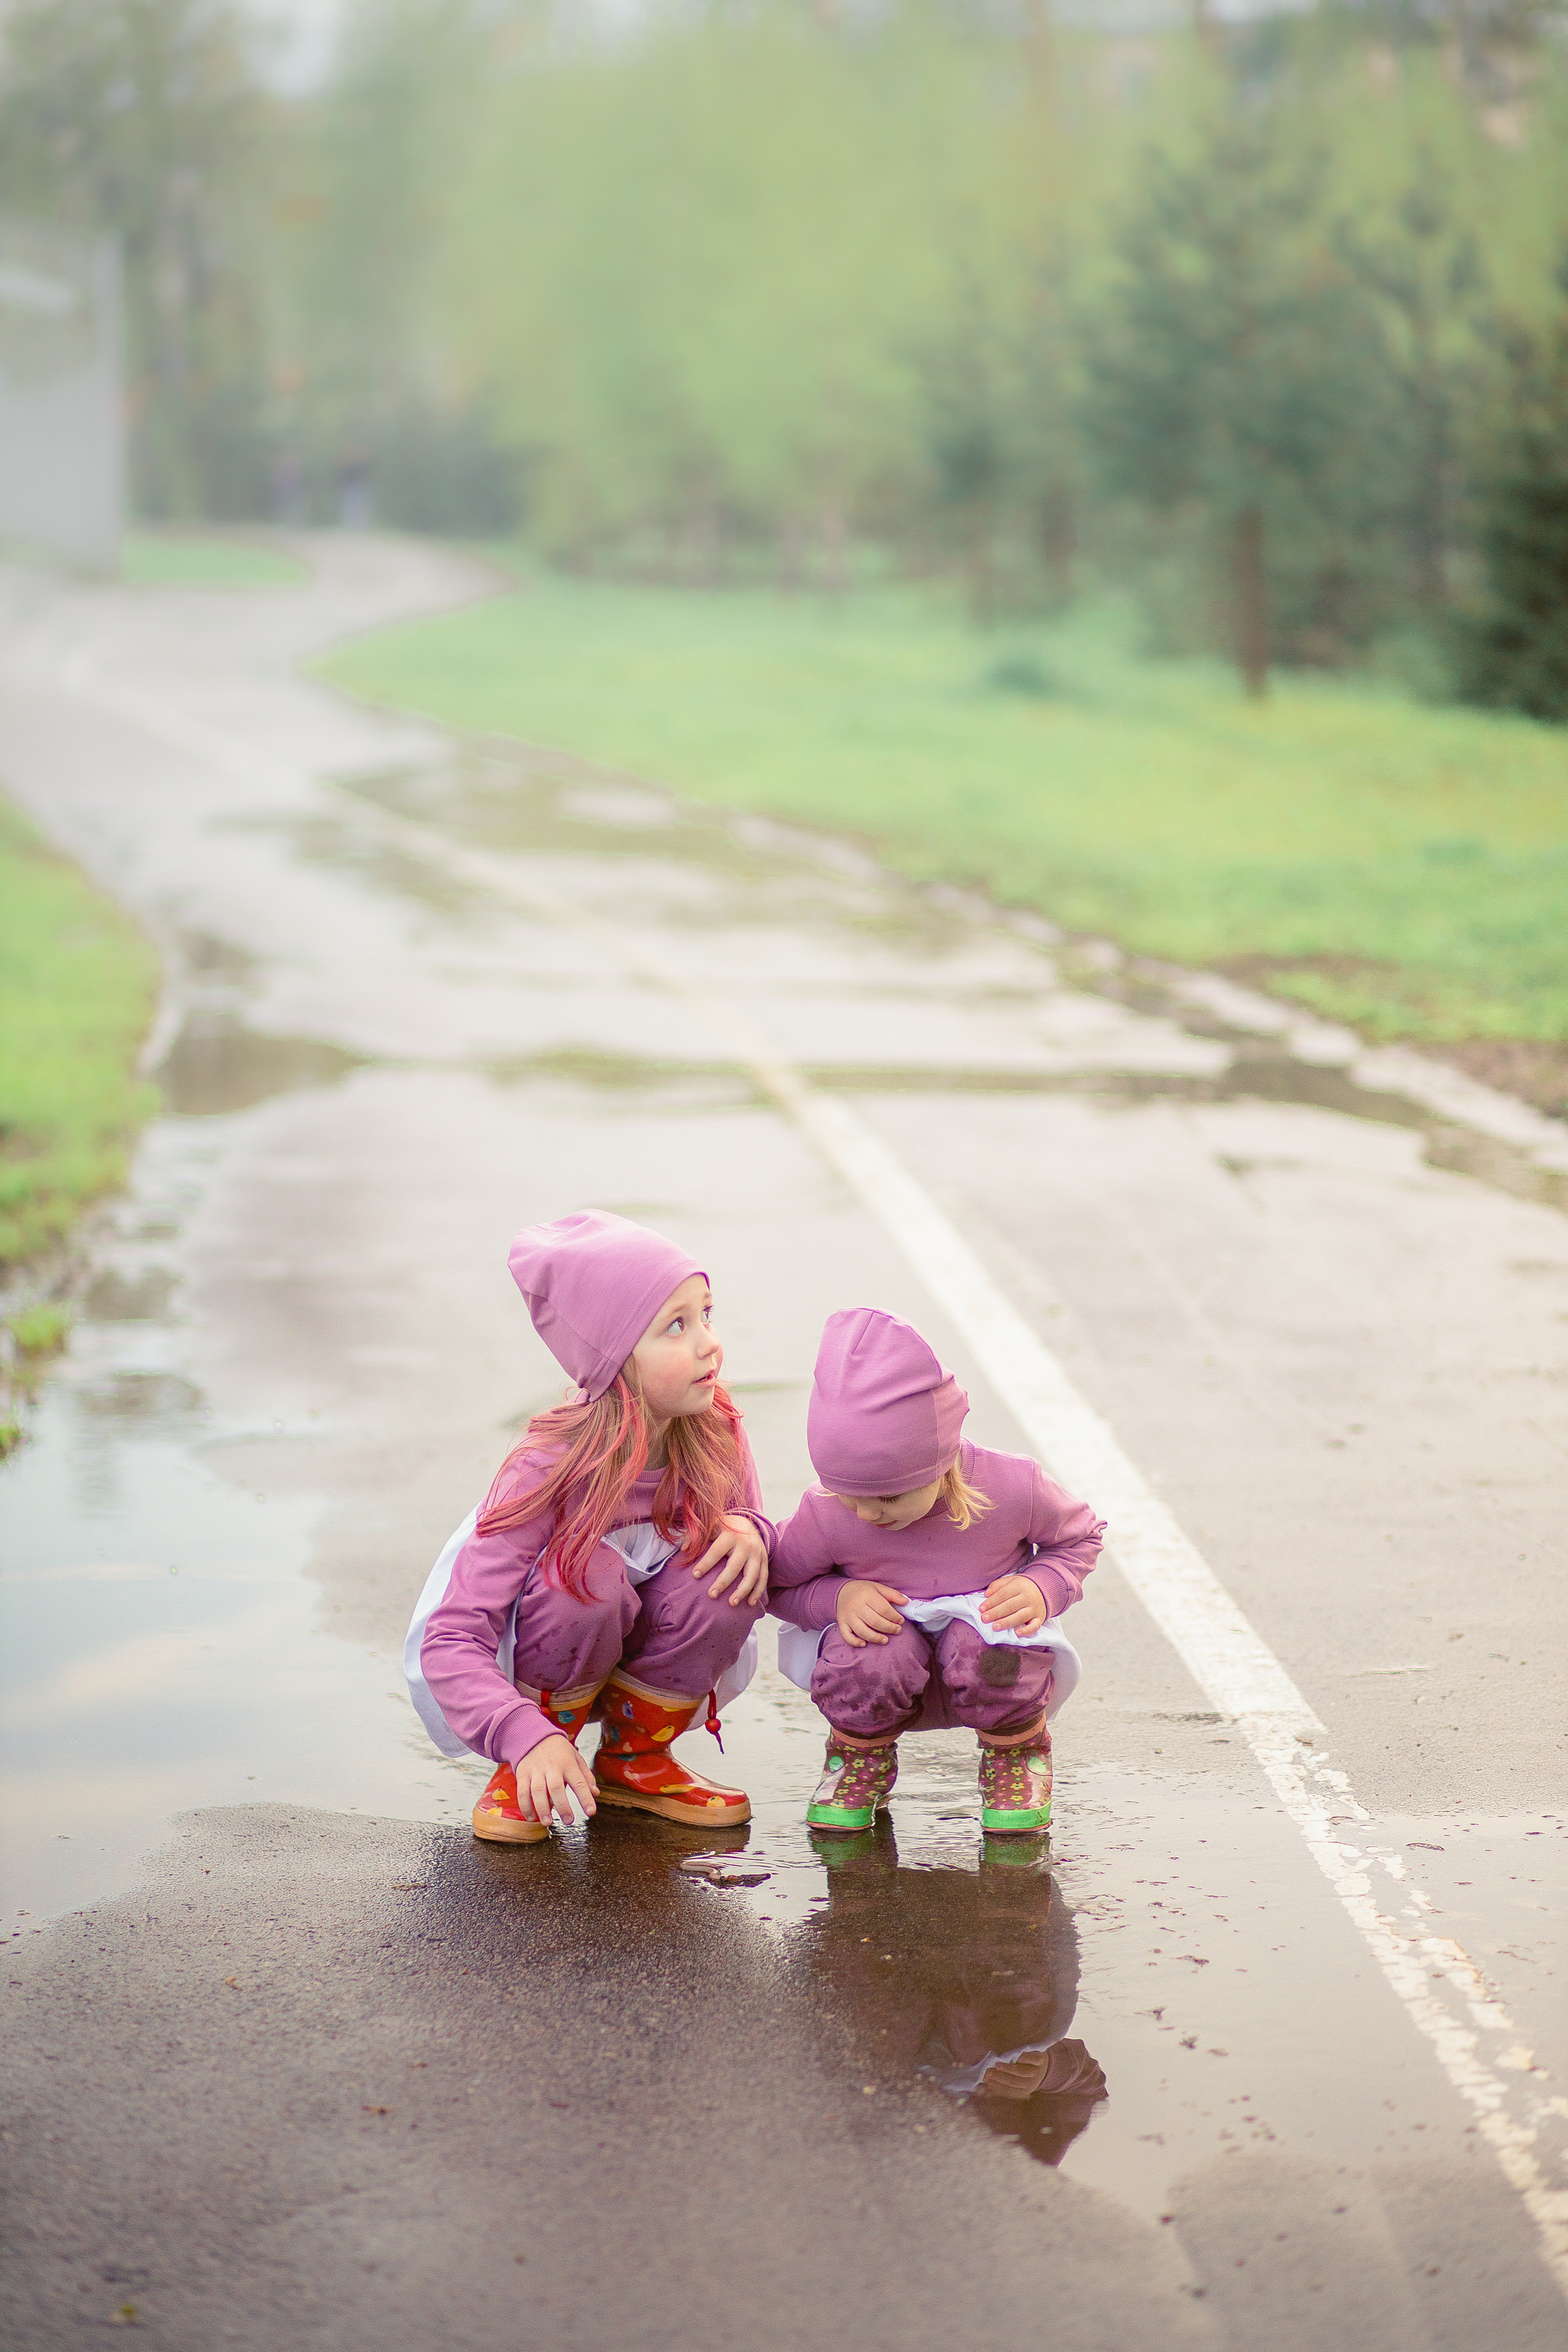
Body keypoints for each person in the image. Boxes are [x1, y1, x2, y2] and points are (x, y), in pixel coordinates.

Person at [405, 1211, 771, 1844]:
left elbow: (771, 1551)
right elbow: (453, 1638)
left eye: (706, 1315)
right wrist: (521, 1735)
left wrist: (756, 1534)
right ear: (612, 1358)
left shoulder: (716, 1430)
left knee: (728, 1562)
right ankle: (541, 1761)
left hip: (649, 1647)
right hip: (545, 1663)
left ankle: (635, 1759)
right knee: (586, 1575)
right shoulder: (547, 1469)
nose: (709, 1342)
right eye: (675, 1327)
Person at [769, 1308, 1104, 1836]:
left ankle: (1016, 1753)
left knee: (993, 1648)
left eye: (888, 1497)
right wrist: (836, 1599)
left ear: (941, 1458)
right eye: (848, 1495)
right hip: (889, 1654)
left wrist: (1043, 1586)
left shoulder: (1012, 1486)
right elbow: (778, 1582)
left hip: (984, 1643)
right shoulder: (828, 1512)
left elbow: (1081, 1535)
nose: (867, 1514)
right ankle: (859, 1757)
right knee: (870, 1653)